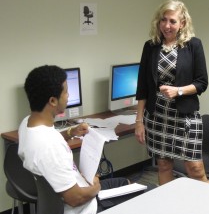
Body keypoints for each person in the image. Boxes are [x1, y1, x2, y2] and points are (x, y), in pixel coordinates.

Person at [18, 65, 132, 214]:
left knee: (126, 183)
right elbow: (75, 198)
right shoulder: (49, 146)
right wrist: (96, 186)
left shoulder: (28, 123)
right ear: (53, 101)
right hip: (85, 206)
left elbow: (50, 138)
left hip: (73, 189)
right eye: (66, 91)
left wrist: (71, 132)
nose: (68, 95)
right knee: (146, 191)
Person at [135, 0, 208, 185]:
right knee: (164, 166)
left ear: (182, 23)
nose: (167, 26)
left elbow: (201, 83)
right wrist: (139, 121)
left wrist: (179, 91)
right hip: (157, 116)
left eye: (173, 21)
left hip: (184, 116)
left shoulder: (193, 45)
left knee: (195, 168)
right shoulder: (150, 46)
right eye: (163, 20)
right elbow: (142, 87)